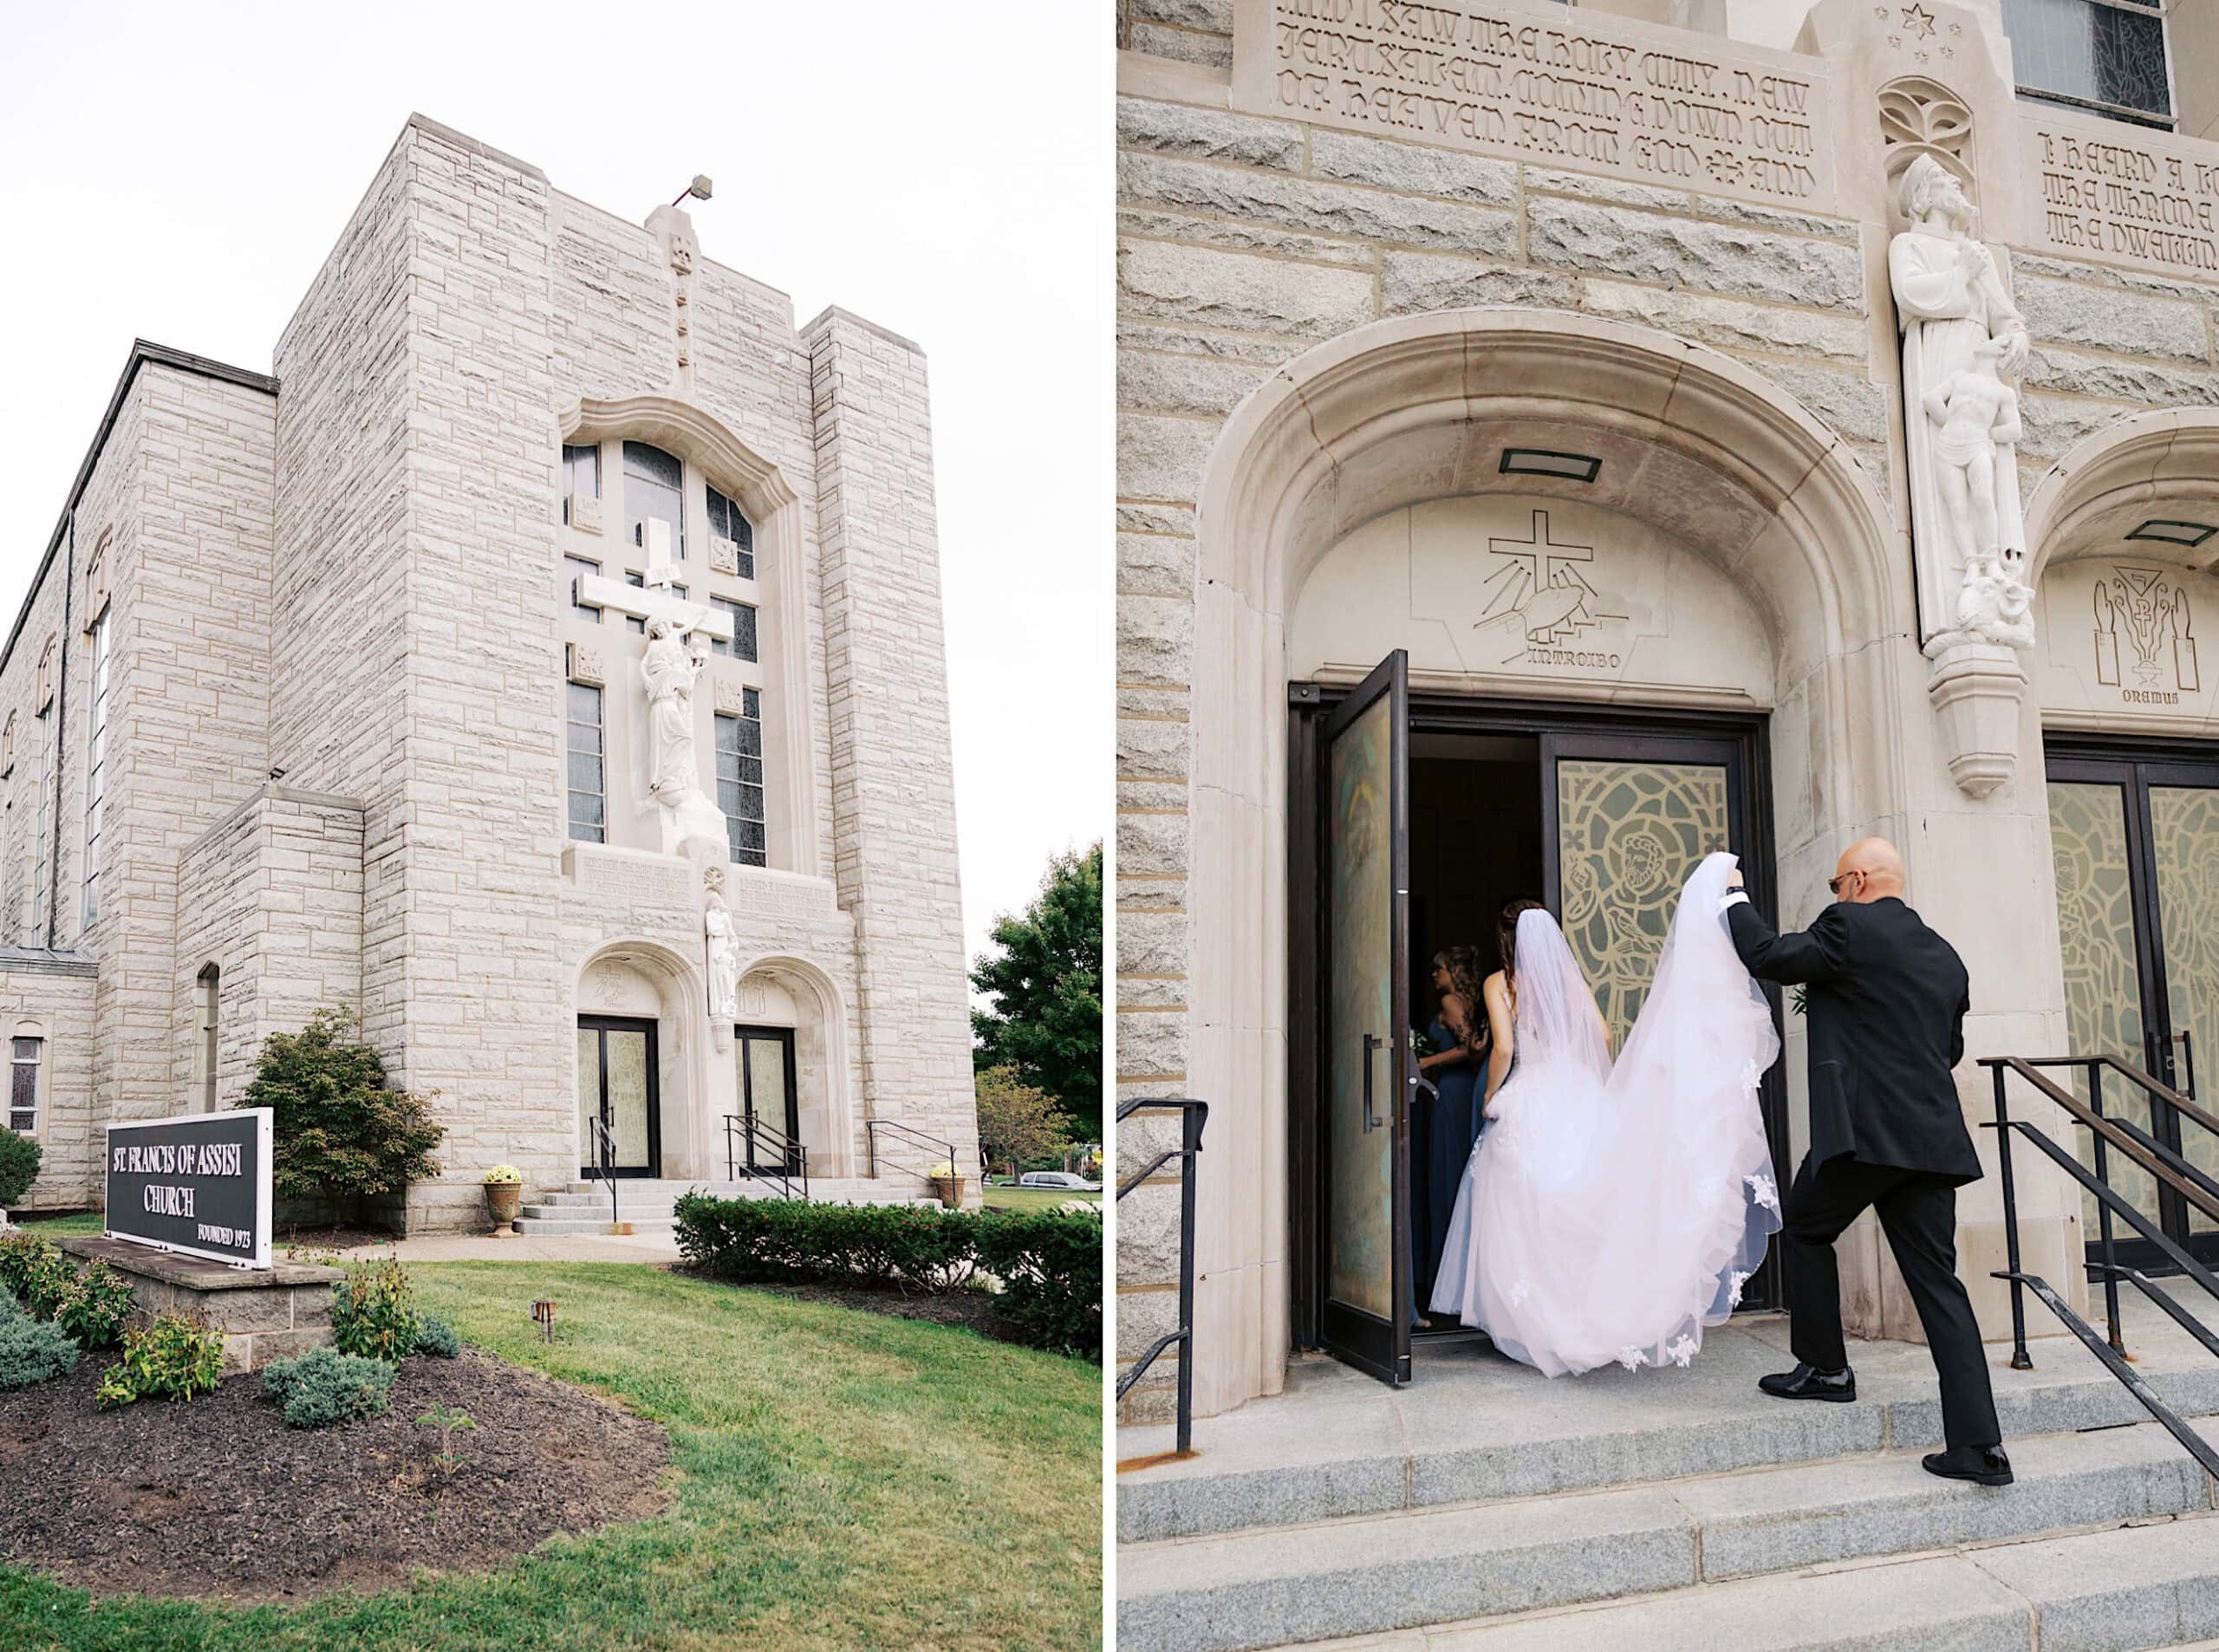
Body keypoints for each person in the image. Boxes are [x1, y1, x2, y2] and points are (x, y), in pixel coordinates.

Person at [1722, 838, 2011, 1487]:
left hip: (1866, 1136)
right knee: (1941, 1286)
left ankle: (1827, 1370)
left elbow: (1770, 955)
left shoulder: (1848, 926)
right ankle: (1981, 1447)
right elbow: (1950, 1048)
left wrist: (1732, 895)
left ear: (1854, 881)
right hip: (1933, 1143)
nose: (1833, 896)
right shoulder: (1945, 954)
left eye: (1833, 885)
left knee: (1803, 1227)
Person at [1429, 856, 1780, 1376]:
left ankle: (1530, 1325)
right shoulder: (1567, 982)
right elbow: (1605, 1034)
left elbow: (1502, 1047)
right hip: (1577, 1092)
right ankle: (1581, 1310)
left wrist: (1493, 1096)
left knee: (1522, 1212)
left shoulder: (1500, 984)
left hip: (1530, 1093)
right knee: (1582, 1203)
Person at [1414, 946, 1486, 1318]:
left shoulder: (1451, 1001)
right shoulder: (1467, 999)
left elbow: (1469, 1048)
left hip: (1453, 1092)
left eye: (1438, 969)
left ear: (1453, 972)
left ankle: (1446, 1277)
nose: (1434, 975)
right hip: (1457, 1091)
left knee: (1448, 1177)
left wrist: (1427, 1060)